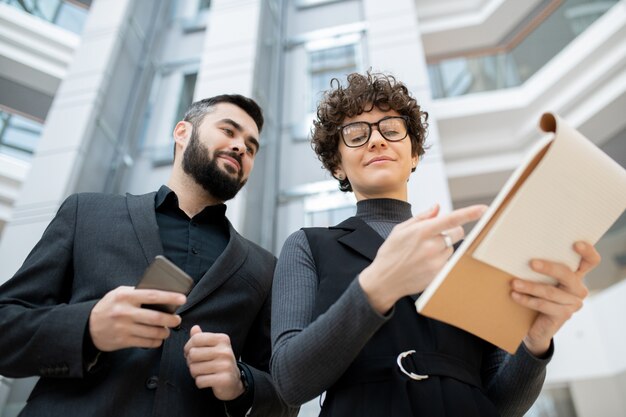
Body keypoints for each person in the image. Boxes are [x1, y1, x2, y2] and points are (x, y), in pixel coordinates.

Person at [270, 72, 600, 416]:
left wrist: (536, 341)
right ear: (337, 165)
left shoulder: (469, 256)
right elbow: (289, 380)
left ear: (413, 155)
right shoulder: (309, 245)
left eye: (392, 129)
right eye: (356, 134)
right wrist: (377, 287)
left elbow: (502, 404)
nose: (377, 141)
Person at [0, 95, 296, 417]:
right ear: (182, 132)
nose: (241, 147)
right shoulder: (85, 213)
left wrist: (243, 384)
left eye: (251, 147)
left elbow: (287, 395)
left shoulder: (267, 268)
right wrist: (87, 328)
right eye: (228, 131)